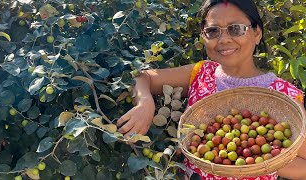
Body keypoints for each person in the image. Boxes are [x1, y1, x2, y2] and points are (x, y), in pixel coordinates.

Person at [116, 0, 306, 179]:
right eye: (213, 31)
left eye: (236, 29)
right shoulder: (201, 74)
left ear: (257, 33)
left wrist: (267, 160)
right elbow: (142, 76)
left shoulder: (283, 95)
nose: (223, 39)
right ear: (203, 37)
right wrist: (145, 103)